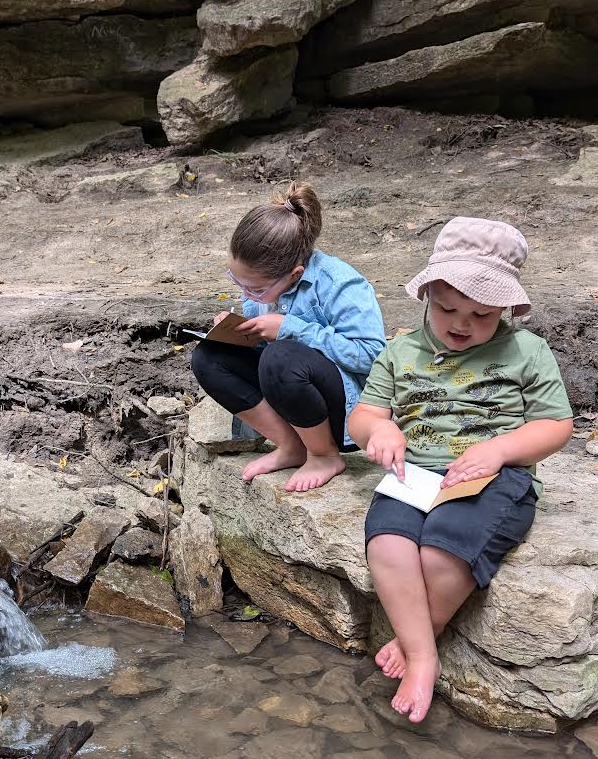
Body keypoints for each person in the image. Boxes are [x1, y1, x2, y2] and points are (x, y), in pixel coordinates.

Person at [348, 216, 573, 723]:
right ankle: (421, 648)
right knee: (387, 542)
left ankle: (419, 651)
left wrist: (500, 449)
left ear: (507, 310)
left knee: (443, 550)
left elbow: (556, 425)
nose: (461, 324)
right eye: (447, 308)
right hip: (414, 472)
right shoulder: (401, 351)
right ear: (426, 293)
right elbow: (364, 415)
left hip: (492, 476)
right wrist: (378, 431)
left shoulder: (525, 351)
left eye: (482, 315)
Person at [191, 182, 386, 492]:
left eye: (255, 289)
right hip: (292, 398)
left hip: (343, 411)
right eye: (238, 283)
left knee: (280, 356)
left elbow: (374, 357)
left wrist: (291, 328)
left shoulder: (340, 283)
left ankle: (324, 455)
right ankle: (291, 445)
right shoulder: (262, 286)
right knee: (208, 357)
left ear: (294, 274)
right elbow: (261, 339)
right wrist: (237, 331)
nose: (247, 294)